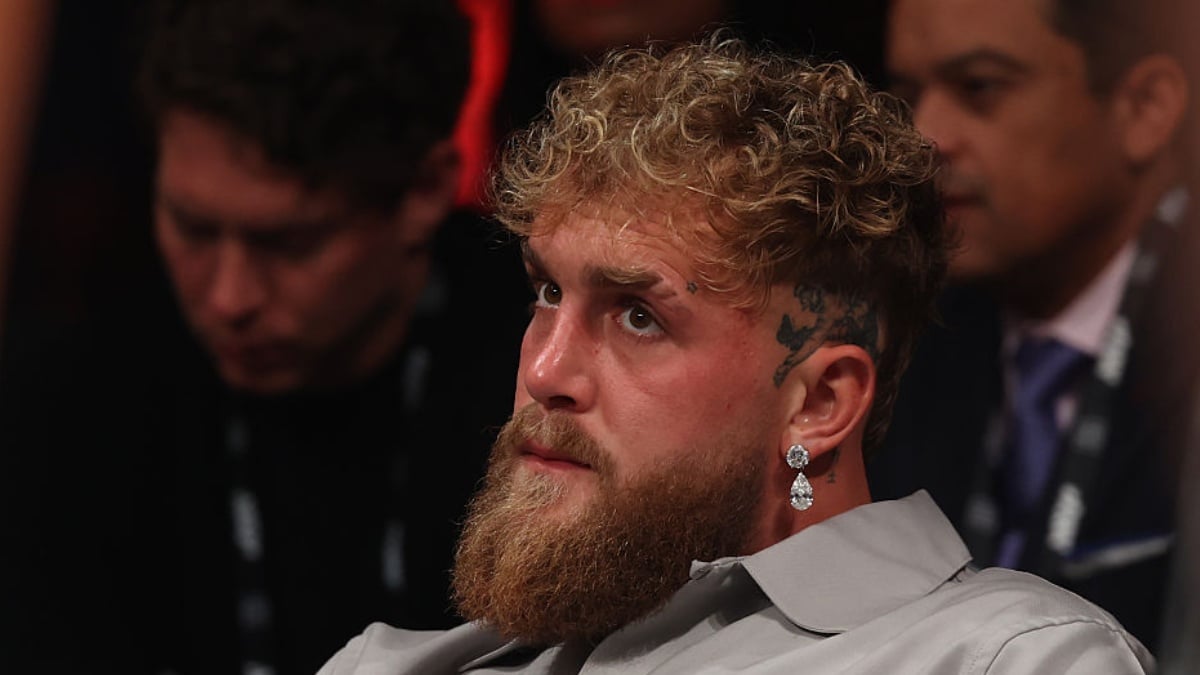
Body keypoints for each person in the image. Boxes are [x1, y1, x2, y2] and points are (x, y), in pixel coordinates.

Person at [318, 36, 1152, 674]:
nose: (544, 373)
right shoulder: (384, 664)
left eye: (638, 316)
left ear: (819, 402)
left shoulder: (1010, 657)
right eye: (547, 293)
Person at [0, 1, 526, 674]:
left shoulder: (542, 383)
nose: (229, 298)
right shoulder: (68, 404)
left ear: (424, 192)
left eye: (290, 244)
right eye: (193, 228)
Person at [876, 0, 1192, 649]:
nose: (923, 136)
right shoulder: (895, 331)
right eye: (907, 94)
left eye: (980, 87)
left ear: (1145, 108)